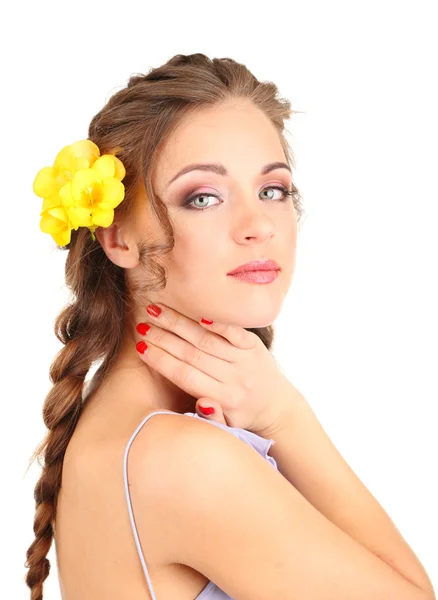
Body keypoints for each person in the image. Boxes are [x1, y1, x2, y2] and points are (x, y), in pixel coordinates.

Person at [24, 53, 435, 600]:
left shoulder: (127, 427)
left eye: (273, 190)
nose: (258, 225)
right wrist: (283, 417)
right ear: (117, 237)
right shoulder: (182, 460)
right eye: (204, 197)